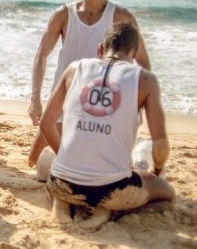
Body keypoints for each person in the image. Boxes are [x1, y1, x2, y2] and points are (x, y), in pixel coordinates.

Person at [40, 23, 173, 229]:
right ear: (135, 53)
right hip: (111, 188)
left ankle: (62, 202)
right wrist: (156, 171)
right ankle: (106, 210)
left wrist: (66, 158)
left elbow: (46, 123)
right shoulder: (145, 79)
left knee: (53, 159)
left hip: (60, 181)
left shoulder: (75, 69)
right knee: (166, 192)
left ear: (101, 49)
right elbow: (160, 144)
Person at [28, 0, 151, 168]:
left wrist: (136, 106)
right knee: (34, 160)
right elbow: (41, 55)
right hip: (63, 101)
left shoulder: (122, 17)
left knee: (97, 163)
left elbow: (143, 63)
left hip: (102, 102)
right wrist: (35, 99)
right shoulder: (64, 14)